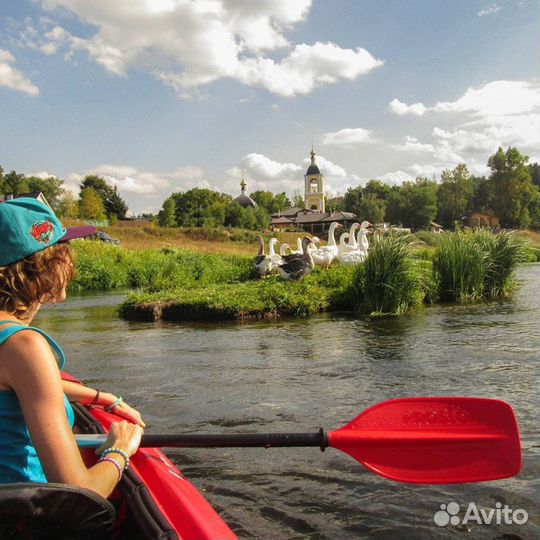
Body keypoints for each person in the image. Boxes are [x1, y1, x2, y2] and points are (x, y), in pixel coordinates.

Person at [0, 197, 144, 498]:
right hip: (24, 517)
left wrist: (101, 397)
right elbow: (79, 491)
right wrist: (120, 450)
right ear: (44, 264)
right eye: (63, 248)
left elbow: (18, 385)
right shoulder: (24, 345)